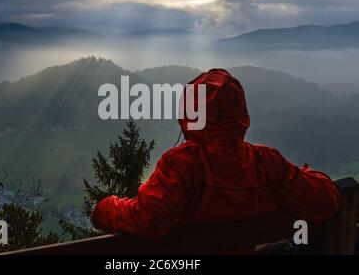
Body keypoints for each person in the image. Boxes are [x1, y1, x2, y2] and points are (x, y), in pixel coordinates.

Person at [90, 69, 340, 244]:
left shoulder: (183, 165)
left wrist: (104, 209)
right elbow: (325, 201)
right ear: (241, 113)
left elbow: (145, 220)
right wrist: (304, 174)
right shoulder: (267, 163)